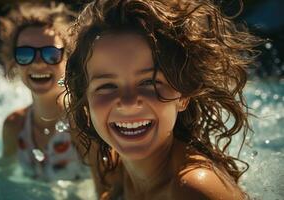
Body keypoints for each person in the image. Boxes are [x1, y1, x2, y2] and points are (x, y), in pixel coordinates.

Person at [64, 0, 262, 199]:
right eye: (107, 86)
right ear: (85, 102)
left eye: (149, 83)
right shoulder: (114, 170)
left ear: (183, 95)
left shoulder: (193, 190)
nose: (128, 102)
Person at [0, 1, 89, 182]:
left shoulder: (83, 124)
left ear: (68, 60)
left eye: (50, 53)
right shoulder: (14, 126)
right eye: (25, 54)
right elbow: (2, 181)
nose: (38, 63)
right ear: (15, 63)